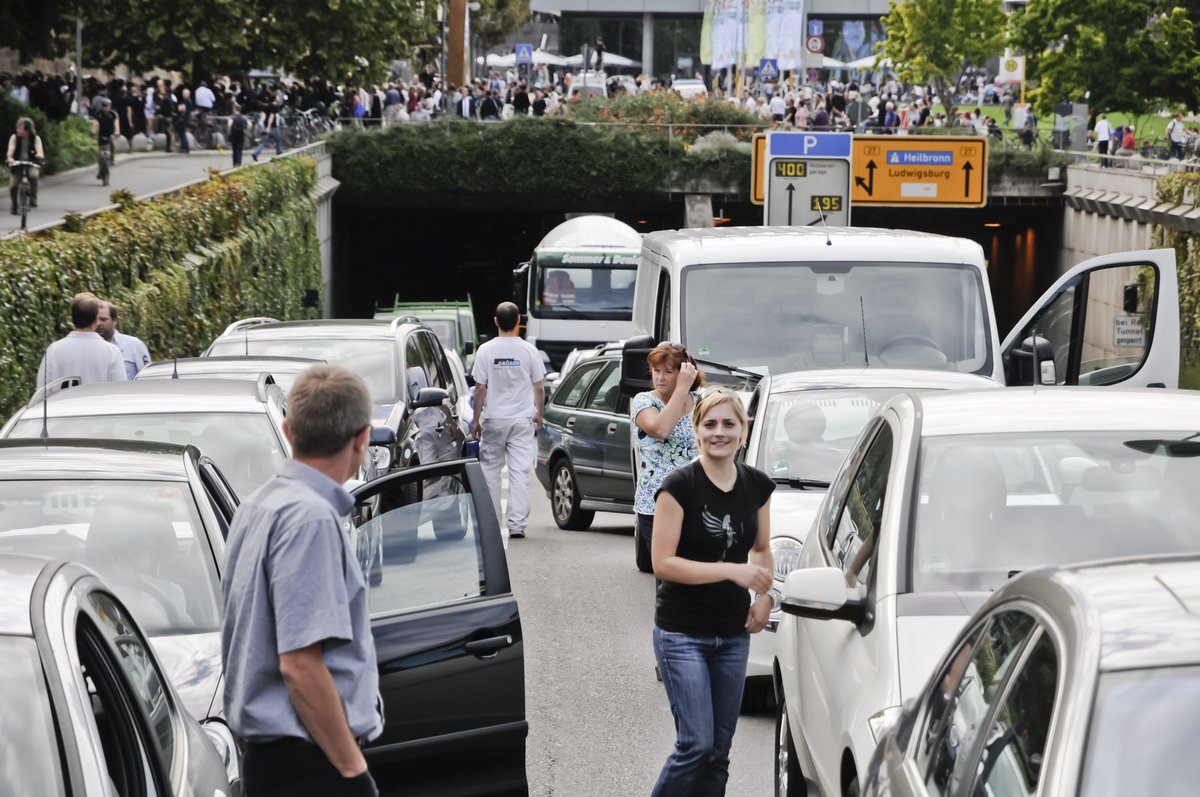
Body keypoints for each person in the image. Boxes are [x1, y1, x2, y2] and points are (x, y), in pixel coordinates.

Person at [221, 365, 383, 796]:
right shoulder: (310, 519)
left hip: (276, 760)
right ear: (362, 439)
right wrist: (352, 772)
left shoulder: (257, 506)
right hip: (310, 764)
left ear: (289, 431)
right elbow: (300, 665)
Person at [649, 388, 774, 796]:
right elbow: (663, 563)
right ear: (696, 430)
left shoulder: (757, 485)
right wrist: (731, 572)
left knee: (719, 751)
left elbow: (761, 549)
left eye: (729, 424)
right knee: (696, 746)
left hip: (733, 635)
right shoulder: (679, 487)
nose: (719, 432)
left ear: (743, 431)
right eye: (710, 424)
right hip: (682, 634)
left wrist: (764, 597)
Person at [470, 302, 545, 541]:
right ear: (518, 322)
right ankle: (516, 525)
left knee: (491, 472)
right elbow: (540, 386)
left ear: (495, 321)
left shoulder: (485, 351)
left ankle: (492, 523)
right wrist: (539, 413)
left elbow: (480, 388)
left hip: (494, 420)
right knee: (520, 472)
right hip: (522, 420)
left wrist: (475, 419)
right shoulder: (529, 350)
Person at [631, 343, 703, 573]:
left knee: (697, 572)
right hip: (656, 503)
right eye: (656, 371)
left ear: (683, 372)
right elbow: (661, 429)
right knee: (670, 577)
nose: (660, 377)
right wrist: (681, 389)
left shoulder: (700, 402)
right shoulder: (644, 401)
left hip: (696, 501)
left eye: (668, 372)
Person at [35, 292, 126, 390]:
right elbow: (119, 391)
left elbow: (42, 391)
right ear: (96, 319)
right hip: (99, 405)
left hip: (62, 405)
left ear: (72, 318)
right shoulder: (111, 352)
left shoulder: (54, 350)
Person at [96, 301, 151, 379]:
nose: (98, 323)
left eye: (103, 319)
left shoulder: (134, 345)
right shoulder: (88, 347)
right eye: (95, 320)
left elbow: (148, 378)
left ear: (114, 321)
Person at [6, 116, 44, 214]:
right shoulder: (14, 138)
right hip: (17, 163)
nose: (17, 130)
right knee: (13, 185)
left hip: (31, 163)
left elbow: (40, 151)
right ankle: (14, 205)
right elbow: (11, 150)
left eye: (20, 128)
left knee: (33, 176)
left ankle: (33, 198)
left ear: (27, 130)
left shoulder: (35, 138)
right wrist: (10, 158)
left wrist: (39, 155)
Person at [92, 97, 119, 178]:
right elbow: (95, 123)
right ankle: (100, 170)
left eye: (107, 106)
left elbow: (116, 124)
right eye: (104, 106)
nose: (105, 108)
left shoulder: (113, 114)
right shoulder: (98, 114)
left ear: (110, 106)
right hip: (101, 134)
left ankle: (112, 158)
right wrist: (93, 131)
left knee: (113, 143)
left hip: (110, 133)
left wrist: (117, 132)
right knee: (100, 153)